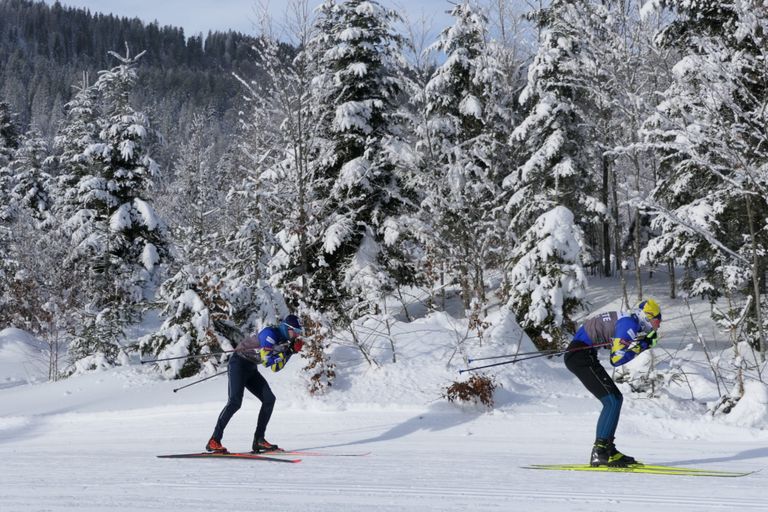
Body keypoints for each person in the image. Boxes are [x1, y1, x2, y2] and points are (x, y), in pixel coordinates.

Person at [564, 299, 661, 467]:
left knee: (614, 399)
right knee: (612, 400)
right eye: (656, 321)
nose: (657, 327)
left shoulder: (628, 322)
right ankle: (600, 451)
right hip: (580, 356)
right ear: (646, 317)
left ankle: (606, 449)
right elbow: (616, 359)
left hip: (581, 354)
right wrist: (644, 344)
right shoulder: (629, 324)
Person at [205, 314, 305, 454]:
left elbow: (276, 368)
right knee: (235, 402)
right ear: (286, 328)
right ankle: (214, 440)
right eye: (295, 331)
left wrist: (290, 352)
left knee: (269, 399)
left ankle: (259, 440)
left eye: (299, 332)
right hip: (238, 363)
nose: (297, 335)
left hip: (251, 367)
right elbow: (267, 361)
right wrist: (288, 351)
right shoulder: (270, 334)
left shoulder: (284, 343)